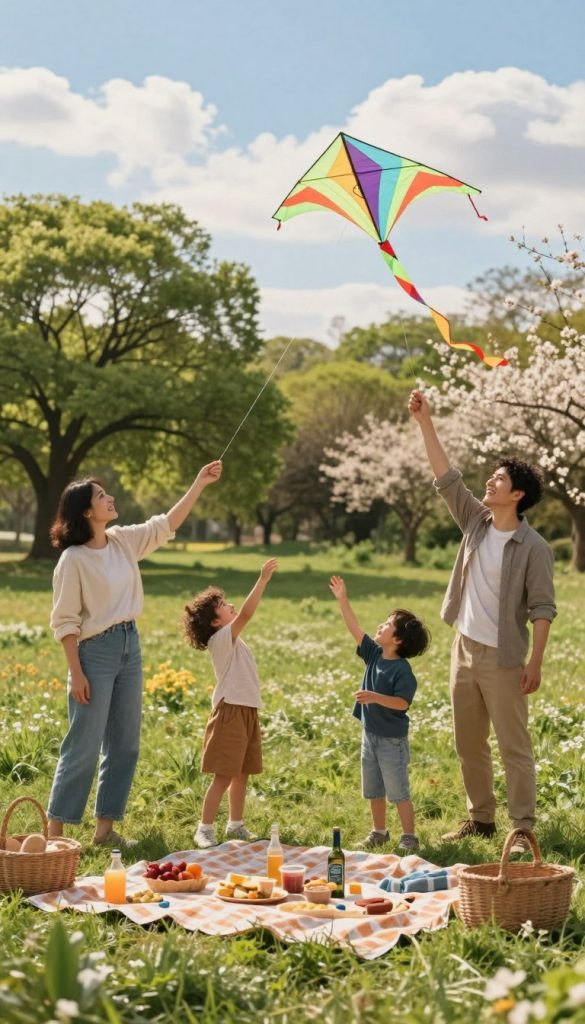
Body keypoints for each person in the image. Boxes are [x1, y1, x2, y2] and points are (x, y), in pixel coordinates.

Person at [408, 389, 556, 853]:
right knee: (468, 742)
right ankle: (482, 819)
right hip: (465, 648)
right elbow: (446, 478)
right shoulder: (476, 522)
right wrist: (425, 423)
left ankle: (522, 829)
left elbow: (542, 608)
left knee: (514, 746)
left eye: (498, 480)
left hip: (505, 657)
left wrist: (536, 661)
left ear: (517, 495)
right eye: (489, 478)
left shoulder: (534, 548)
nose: (488, 484)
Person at [47, 460, 223, 846]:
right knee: (84, 742)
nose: (110, 498)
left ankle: (105, 831)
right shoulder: (73, 560)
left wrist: (199, 483)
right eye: (101, 496)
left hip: (130, 645)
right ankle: (54, 832)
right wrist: (76, 672)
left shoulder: (123, 541)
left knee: (125, 742)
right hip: (94, 653)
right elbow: (65, 622)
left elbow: (166, 524)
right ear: (87, 512)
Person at [329, 575, 430, 852]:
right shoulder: (373, 654)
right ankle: (379, 832)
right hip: (370, 736)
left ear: (396, 639)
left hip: (391, 742)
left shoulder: (402, 671)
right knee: (373, 788)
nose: (380, 626)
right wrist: (342, 598)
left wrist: (374, 697)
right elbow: (353, 626)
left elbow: (402, 704)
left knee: (398, 791)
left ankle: (409, 836)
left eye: (387, 625)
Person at [183, 558, 278, 848]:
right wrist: (262, 580)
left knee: (242, 773)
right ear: (215, 622)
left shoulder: (232, 638)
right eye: (223, 605)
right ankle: (205, 828)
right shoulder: (221, 639)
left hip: (247, 710)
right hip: (230, 712)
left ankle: (235, 825)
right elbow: (247, 614)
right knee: (224, 775)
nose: (230, 605)